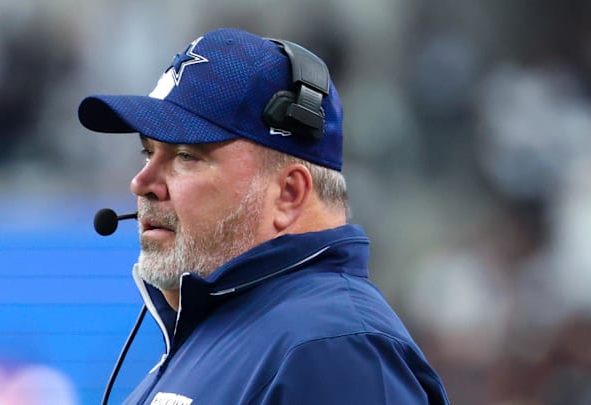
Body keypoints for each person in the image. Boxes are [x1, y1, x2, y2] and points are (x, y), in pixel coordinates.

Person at [78, 27, 450, 404]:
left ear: (289, 194)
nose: (141, 183)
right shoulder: (230, 335)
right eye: (148, 153)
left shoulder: (332, 348)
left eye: (186, 156)